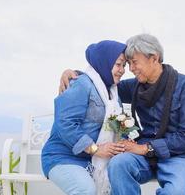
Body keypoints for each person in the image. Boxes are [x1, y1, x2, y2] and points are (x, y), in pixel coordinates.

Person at [59, 33, 185, 195]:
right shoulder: (134, 86)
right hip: (145, 158)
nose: (131, 69)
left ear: (154, 58)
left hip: (180, 156)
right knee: (118, 164)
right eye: (128, 63)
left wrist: (144, 148)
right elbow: (101, 82)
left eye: (134, 63)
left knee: (176, 191)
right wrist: (74, 74)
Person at [42, 40, 127, 195]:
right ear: (104, 62)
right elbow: (65, 123)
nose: (122, 70)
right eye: (118, 64)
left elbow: (120, 125)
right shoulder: (82, 84)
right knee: (85, 190)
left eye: (124, 65)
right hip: (63, 157)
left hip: (93, 161)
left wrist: (127, 140)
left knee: (120, 183)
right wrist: (95, 149)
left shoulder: (113, 94)